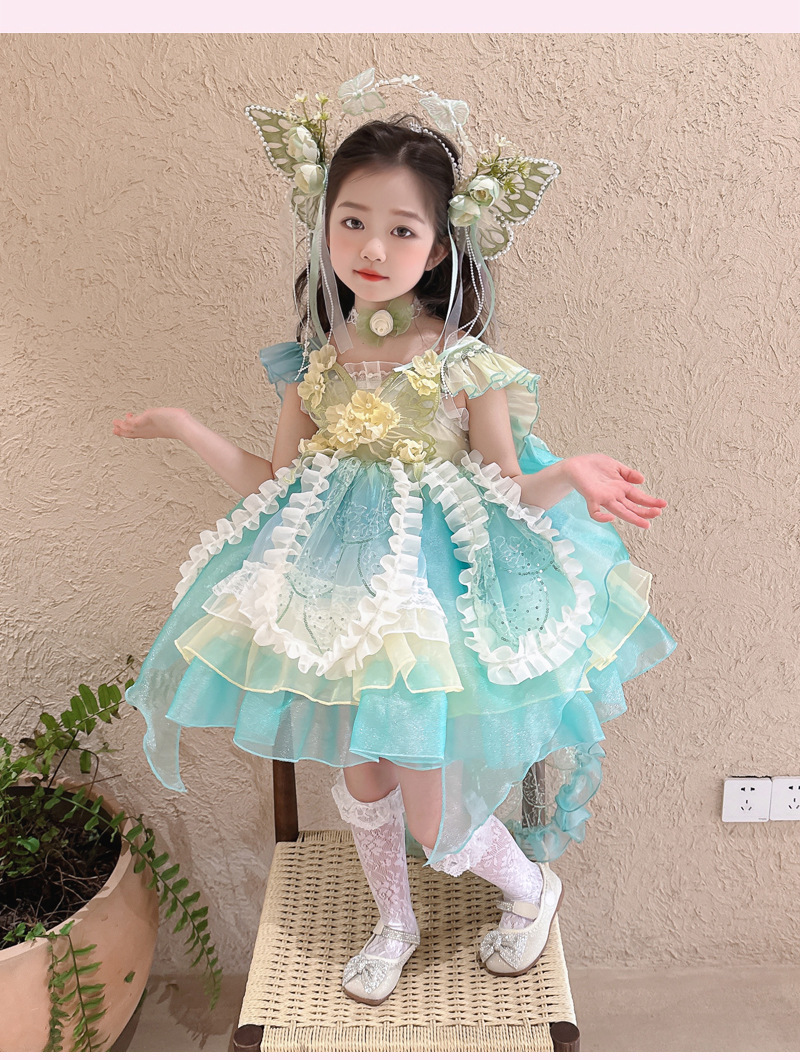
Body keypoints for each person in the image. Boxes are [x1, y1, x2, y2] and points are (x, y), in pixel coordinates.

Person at [114, 71, 677, 1006]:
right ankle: (395, 923)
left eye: (403, 229)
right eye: (352, 221)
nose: (373, 248)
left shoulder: (462, 360)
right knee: (361, 775)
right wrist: (184, 428)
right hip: (336, 593)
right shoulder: (314, 362)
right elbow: (276, 482)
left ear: (441, 242)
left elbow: (504, 483)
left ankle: (531, 888)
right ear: (324, 225)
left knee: (429, 804)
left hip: (430, 601)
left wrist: (572, 473)